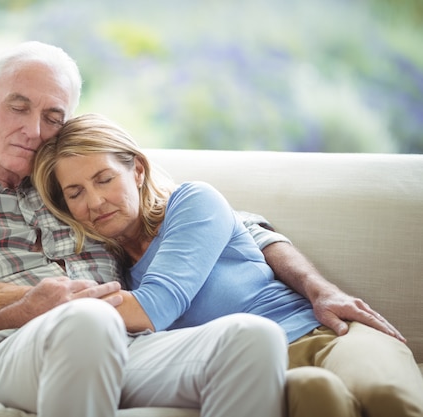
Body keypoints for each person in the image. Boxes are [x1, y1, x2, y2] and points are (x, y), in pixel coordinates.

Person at [0, 41, 288, 417]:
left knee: (253, 339)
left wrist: (318, 286)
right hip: (7, 356)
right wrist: (21, 311)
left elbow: (219, 219)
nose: (34, 131)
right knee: (89, 322)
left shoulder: (79, 186)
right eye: (18, 107)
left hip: (129, 346)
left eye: (52, 118)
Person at [31, 112, 423, 417]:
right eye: (75, 192)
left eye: (104, 179)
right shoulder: (112, 275)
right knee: (316, 394)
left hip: (325, 335)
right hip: (263, 367)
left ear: (136, 170)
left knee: (384, 395)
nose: (95, 202)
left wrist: (27, 306)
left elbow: (159, 305)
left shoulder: (191, 203)